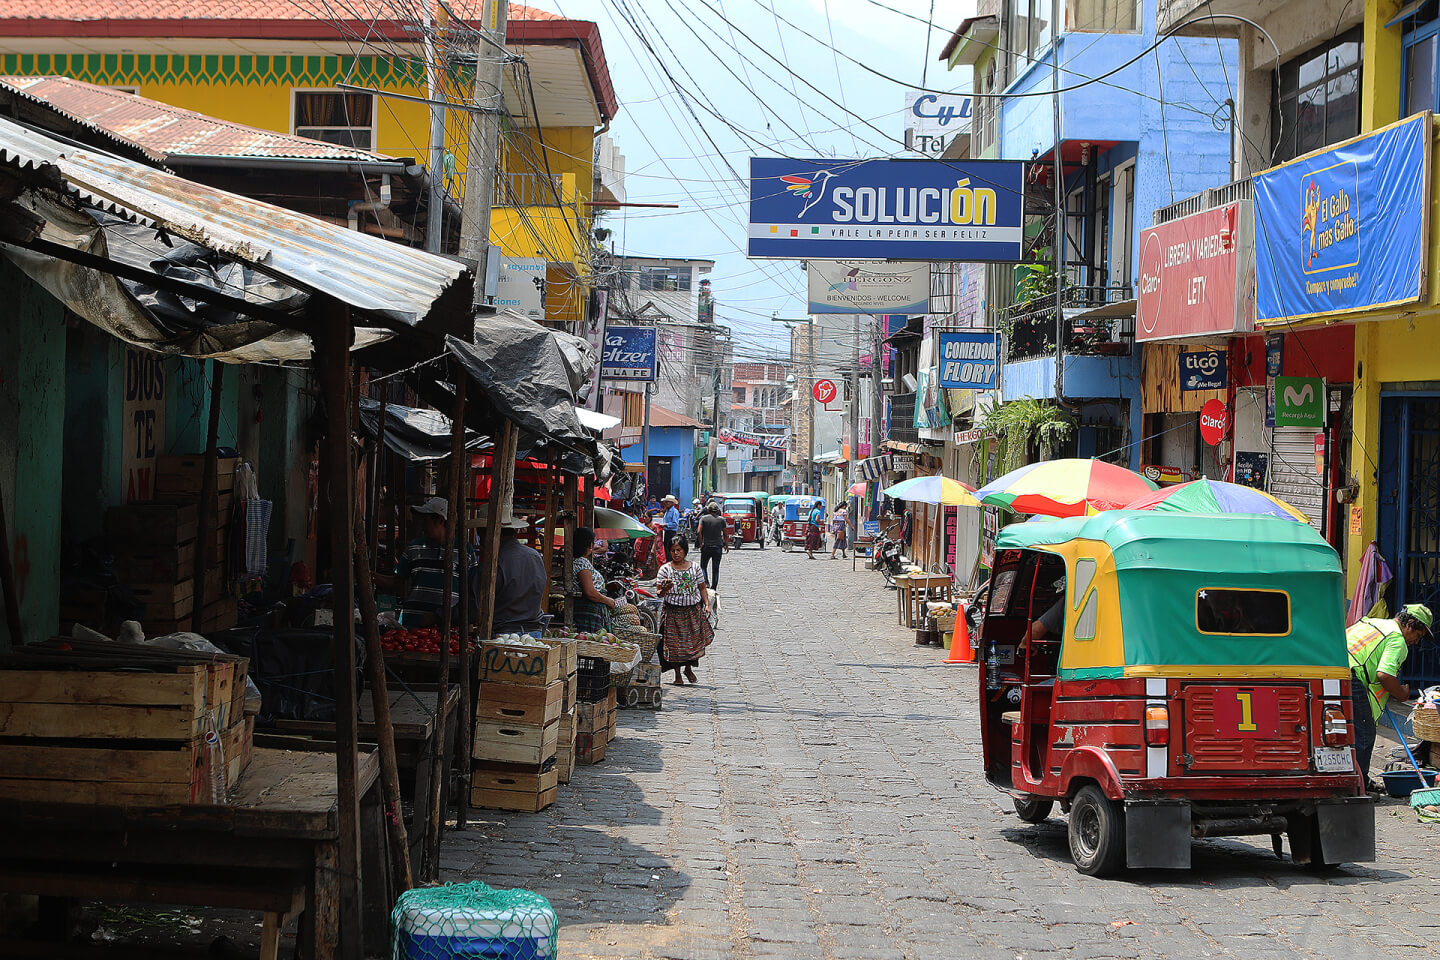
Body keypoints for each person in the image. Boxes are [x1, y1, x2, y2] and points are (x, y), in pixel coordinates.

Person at [1347, 603, 1433, 786]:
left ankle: (1351, 777)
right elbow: (1384, 675)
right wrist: (1401, 693)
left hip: (1333, 670)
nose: (1416, 642)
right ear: (1409, 624)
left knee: (1347, 730)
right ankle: (1359, 785)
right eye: (1417, 636)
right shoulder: (1397, 639)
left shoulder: (1374, 623)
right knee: (1364, 732)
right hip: (1352, 677)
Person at [376, 497, 469, 626]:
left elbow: (471, 592)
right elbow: (397, 582)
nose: (423, 526)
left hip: (447, 626)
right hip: (413, 624)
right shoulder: (414, 547)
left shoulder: (464, 550)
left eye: (426, 521)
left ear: (441, 521)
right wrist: (371, 577)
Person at [656, 538, 714, 685]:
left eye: (679, 550)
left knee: (691, 643)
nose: (676, 553)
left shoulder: (695, 568)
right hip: (673, 612)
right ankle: (677, 676)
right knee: (674, 645)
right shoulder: (665, 570)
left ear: (685, 551)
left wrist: (706, 604)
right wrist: (665, 589)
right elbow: (659, 593)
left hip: (692, 611)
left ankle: (688, 668)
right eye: (673, 550)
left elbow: (701, 587)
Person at [490, 515, 547, 637]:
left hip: (504, 634)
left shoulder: (497, 559)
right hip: (533, 632)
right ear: (514, 531)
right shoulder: (534, 555)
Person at [571, 526, 619, 633]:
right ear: (590, 545)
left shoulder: (577, 561)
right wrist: (609, 601)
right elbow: (590, 592)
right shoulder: (581, 563)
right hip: (588, 611)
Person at [697, 501, 728, 590]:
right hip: (718, 546)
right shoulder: (721, 519)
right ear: (717, 510)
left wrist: (701, 542)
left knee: (703, 566)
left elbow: (699, 531)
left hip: (706, 545)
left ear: (709, 510)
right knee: (715, 568)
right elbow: (725, 533)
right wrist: (726, 545)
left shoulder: (703, 519)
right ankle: (714, 587)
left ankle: (706, 582)